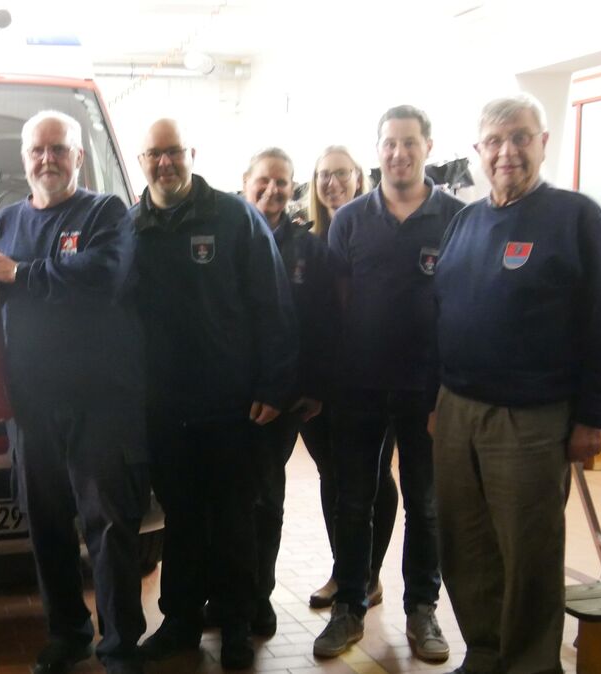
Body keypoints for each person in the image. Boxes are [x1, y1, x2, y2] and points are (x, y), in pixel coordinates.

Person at [433, 94, 601, 674]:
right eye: (494, 141)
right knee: (465, 545)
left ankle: (530, 663)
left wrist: (593, 417)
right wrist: (435, 402)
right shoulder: (466, 220)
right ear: (477, 152)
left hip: (531, 418)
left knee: (529, 552)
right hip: (458, 409)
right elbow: (440, 311)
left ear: (544, 142)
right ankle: (486, 651)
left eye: (520, 138)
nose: (507, 152)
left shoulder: (575, 217)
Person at [0, 110, 149, 674]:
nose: (47, 160)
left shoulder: (105, 212)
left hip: (99, 402)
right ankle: (67, 632)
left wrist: (20, 275)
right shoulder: (3, 223)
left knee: (109, 526)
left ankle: (119, 645)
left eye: (58, 150)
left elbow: (103, 277)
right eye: (37, 151)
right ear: (23, 159)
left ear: (79, 157)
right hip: (30, 405)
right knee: (46, 525)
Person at [131, 119, 296, 670]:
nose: (164, 163)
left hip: (232, 405)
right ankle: (179, 621)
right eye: (154, 154)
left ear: (190, 154)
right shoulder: (132, 227)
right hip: (165, 408)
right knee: (181, 518)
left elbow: (272, 303)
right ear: (141, 159)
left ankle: (236, 625)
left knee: (233, 518)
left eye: (173, 152)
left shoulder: (234, 216)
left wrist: (275, 384)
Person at [313, 105, 461, 662]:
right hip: (360, 388)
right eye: (389, 144)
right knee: (354, 499)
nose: (398, 153)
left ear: (427, 146)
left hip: (429, 390)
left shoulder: (456, 217)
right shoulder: (350, 219)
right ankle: (350, 606)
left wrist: (450, 386)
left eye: (409, 142)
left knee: (425, 503)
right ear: (377, 152)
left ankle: (422, 611)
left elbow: (463, 304)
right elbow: (339, 304)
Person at [238, 147, 338, 635]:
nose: (273, 190)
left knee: (265, 497)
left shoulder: (308, 248)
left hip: (283, 400)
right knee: (225, 499)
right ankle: (225, 593)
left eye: (283, 182)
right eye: (264, 180)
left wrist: (314, 386)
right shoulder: (226, 236)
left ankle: (259, 595)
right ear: (246, 181)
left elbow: (323, 324)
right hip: (227, 393)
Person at [301, 146, 397, 609]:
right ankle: (345, 571)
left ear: (360, 177)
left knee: (375, 476)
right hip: (318, 383)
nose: (332, 182)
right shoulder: (306, 240)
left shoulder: (375, 231)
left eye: (341, 173)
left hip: (370, 378)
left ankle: (369, 576)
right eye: (323, 175)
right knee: (332, 476)